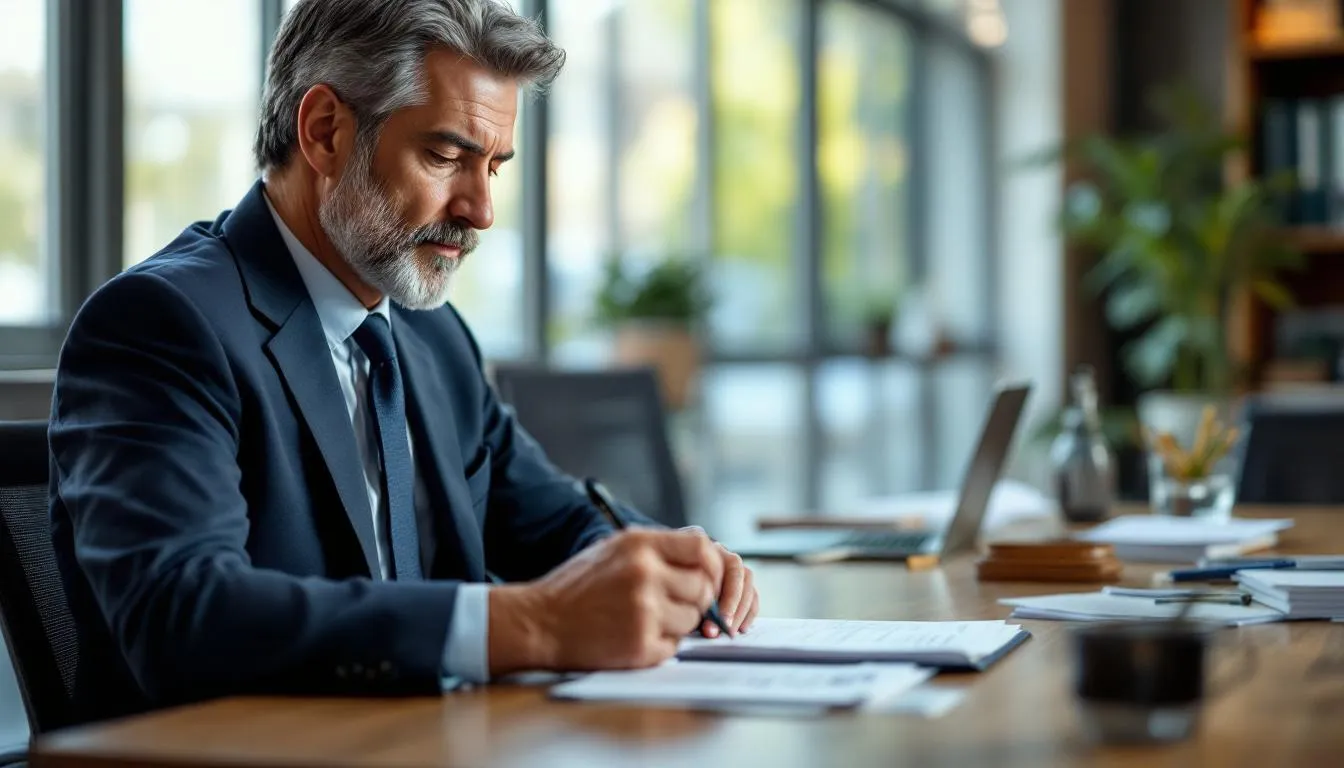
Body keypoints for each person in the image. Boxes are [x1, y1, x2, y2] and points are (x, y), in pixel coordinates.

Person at [48, 0, 758, 722]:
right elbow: (182, 617)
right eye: (446, 157)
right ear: (325, 132)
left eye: (495, 167)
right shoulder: (162, 324)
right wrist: (536, 624)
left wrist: (661, 569)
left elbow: (557, 525)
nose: (481, 209)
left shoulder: (433, 337)